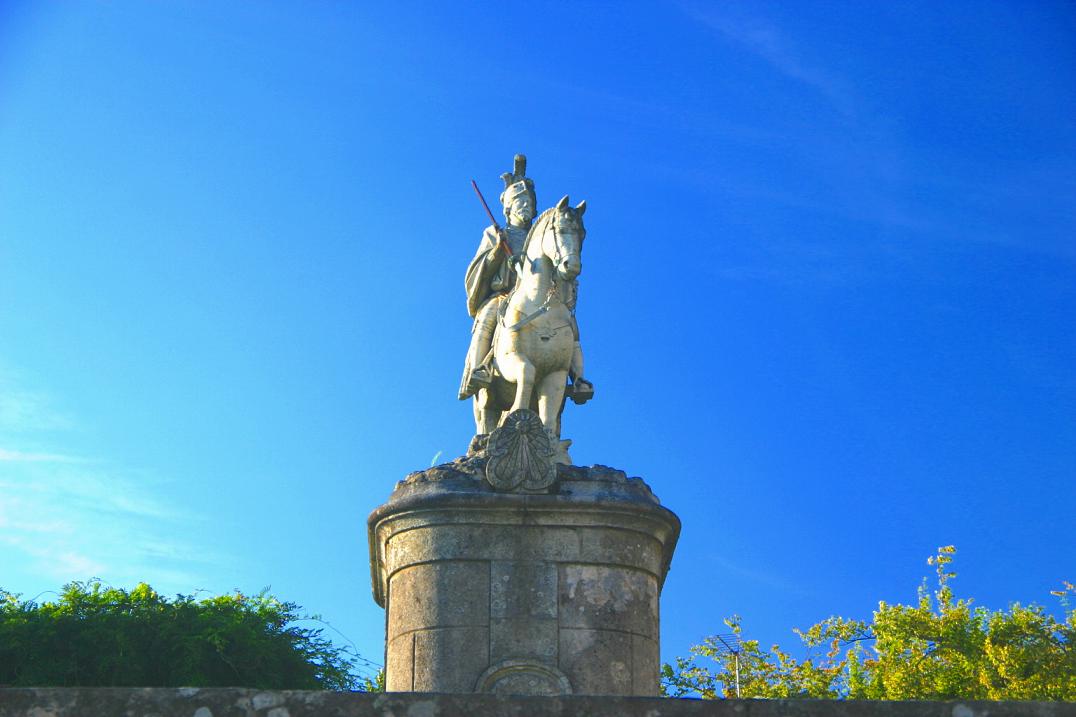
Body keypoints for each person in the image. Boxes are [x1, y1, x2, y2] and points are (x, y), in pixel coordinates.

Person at [458, 154, 536, 400]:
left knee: (566, 326)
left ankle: (574, 375)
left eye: (528, 202)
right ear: (509, 207)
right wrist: (497, 254)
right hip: (503, 295)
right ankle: (479, 367)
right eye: (520, 201)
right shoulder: (495, 233)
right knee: (489, 315)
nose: (525, 206)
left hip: (535, 301)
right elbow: (476, 271)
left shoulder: (539, 238)